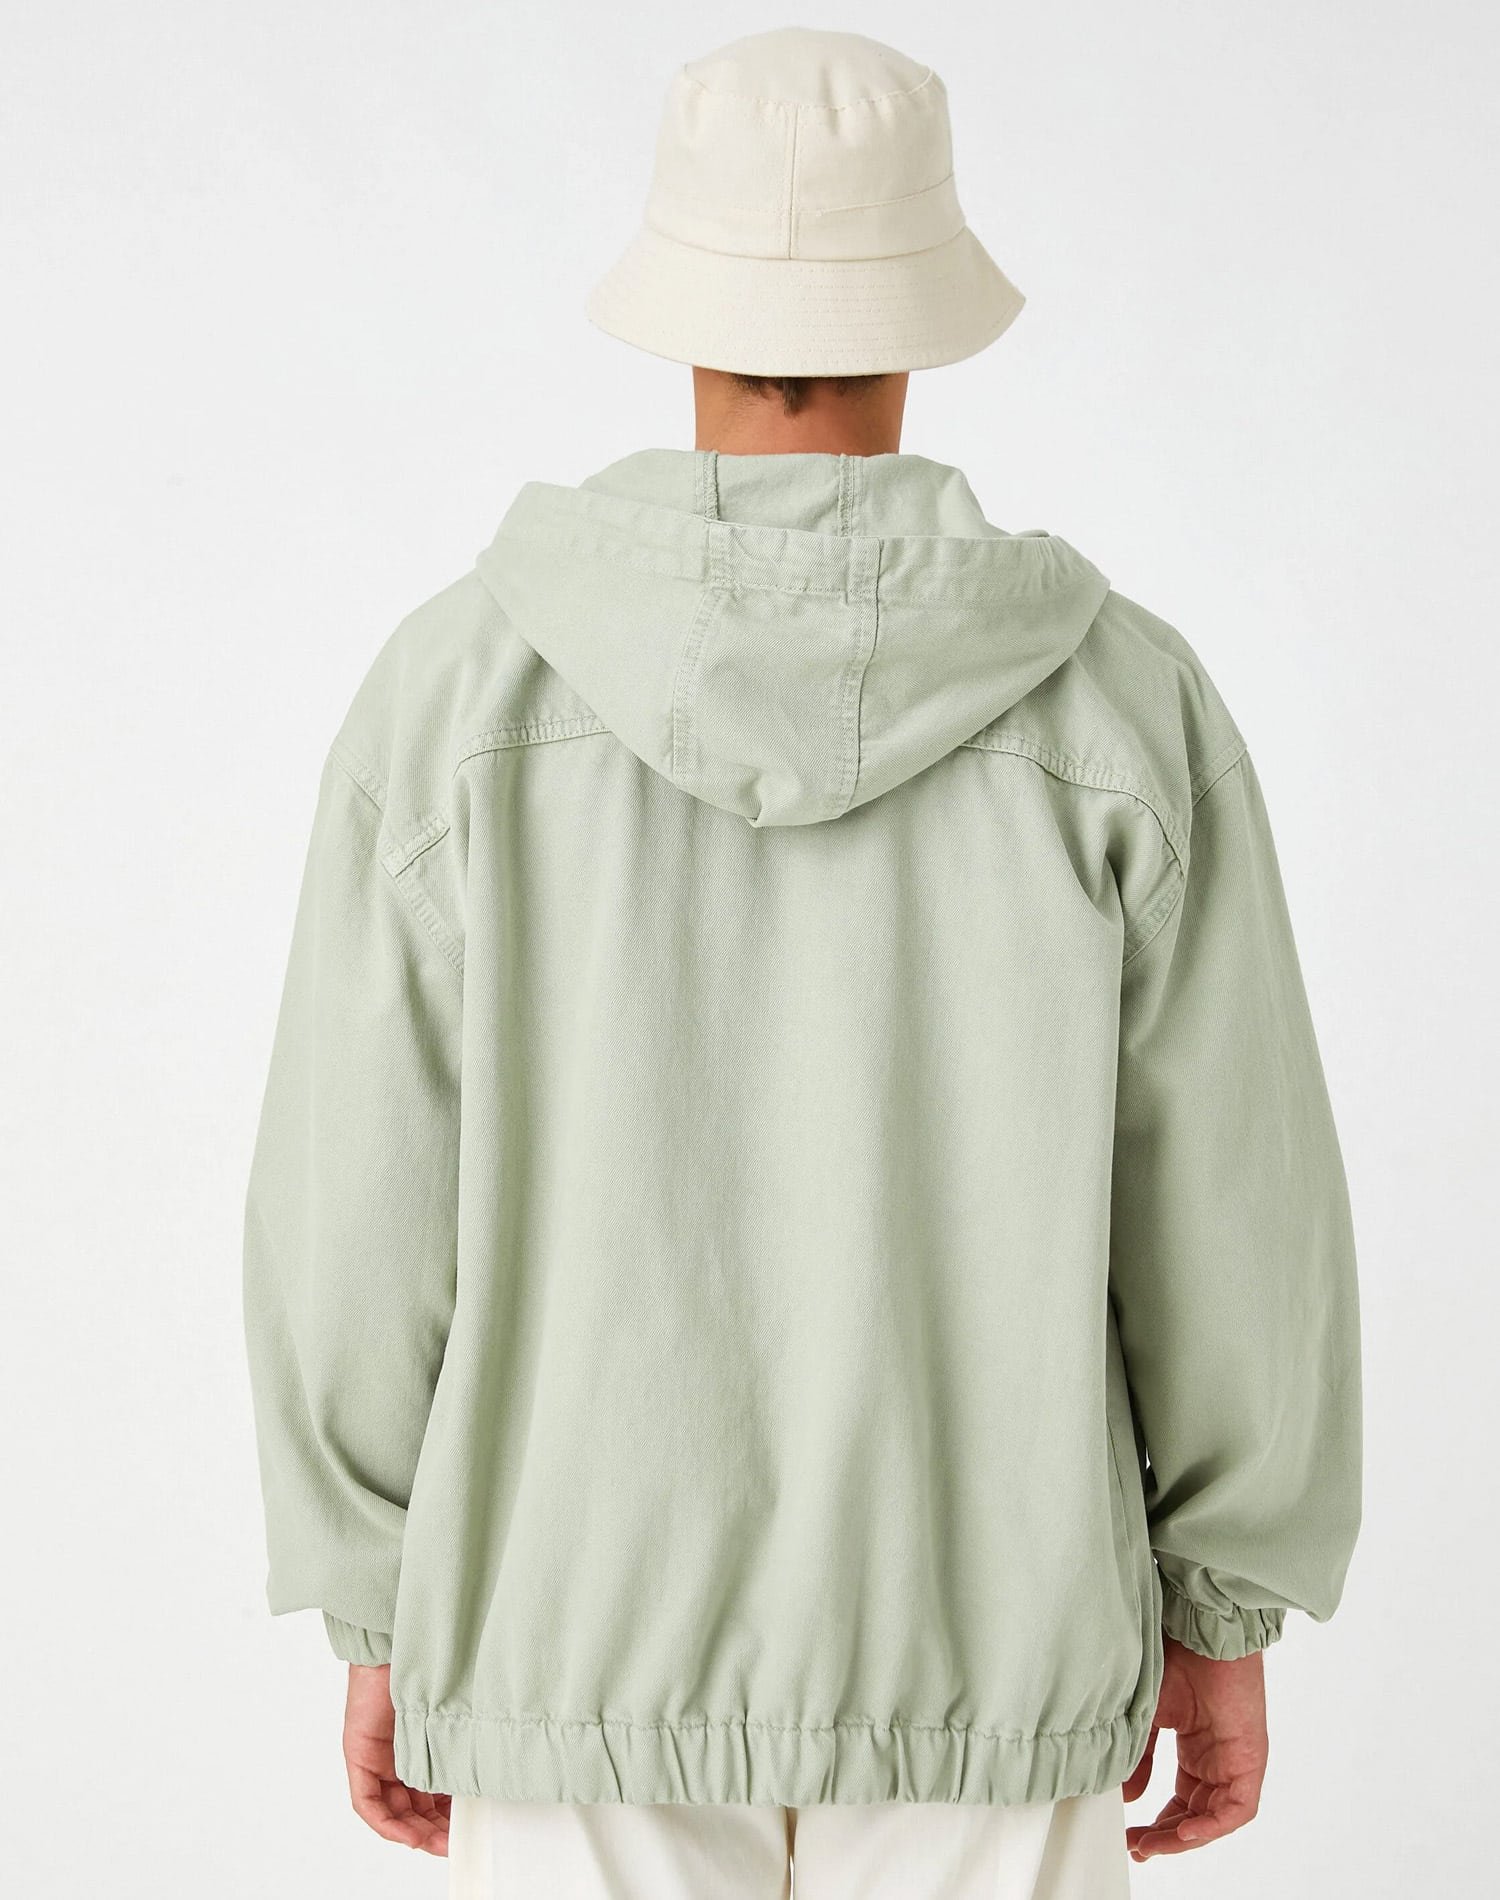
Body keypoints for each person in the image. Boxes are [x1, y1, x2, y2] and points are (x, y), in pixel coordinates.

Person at [241, 27, 1362, 1899]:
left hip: (568, 1634)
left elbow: (350, 1203)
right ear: (922, 321)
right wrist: (1221, 1611)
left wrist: (378, 1603)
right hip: (992, 1643)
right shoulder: (1123, 706)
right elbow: (1236, 1210)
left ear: (678, 309)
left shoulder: (452, 697)